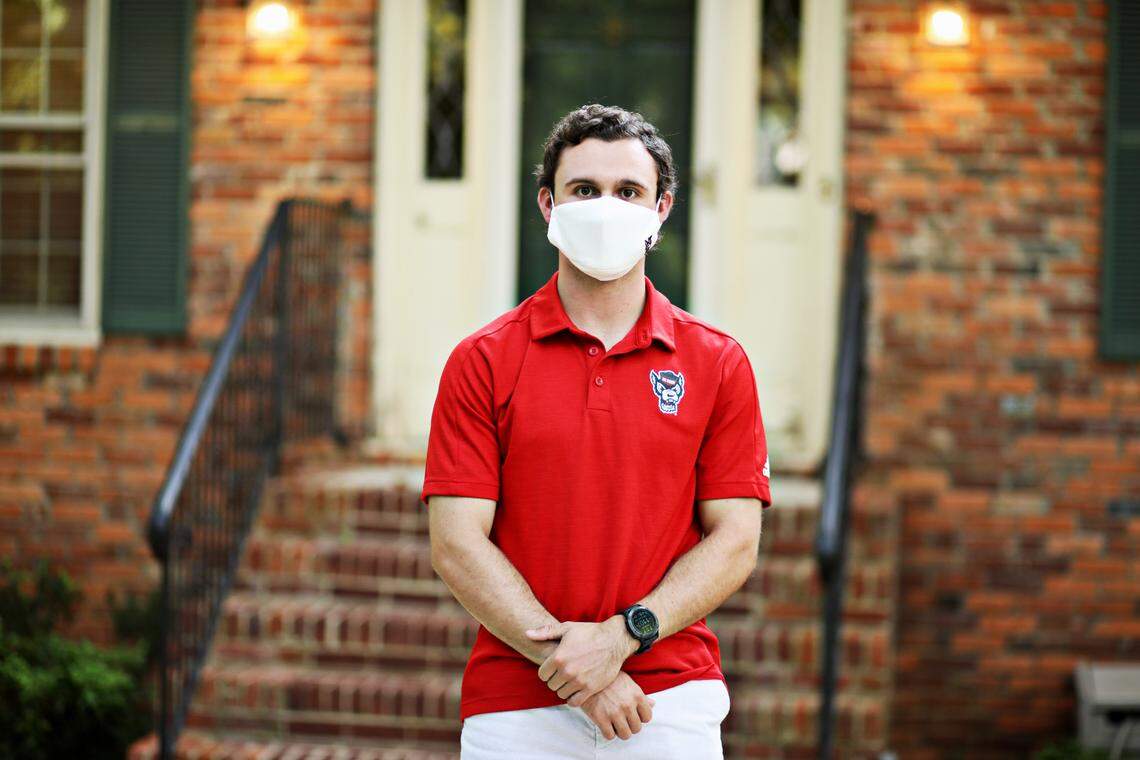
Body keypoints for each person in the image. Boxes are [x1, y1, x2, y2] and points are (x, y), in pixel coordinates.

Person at [420, 103, 772, 759]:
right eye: (585, 189)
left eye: (628, 191)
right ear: (548, 205)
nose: (606, 206)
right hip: (516, 702)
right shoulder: (483, 361)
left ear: (661, 209)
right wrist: (580, 673)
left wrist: (621, 640)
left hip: (667, 696)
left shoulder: (717, 363)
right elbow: (456, 542)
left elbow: (736, 540)